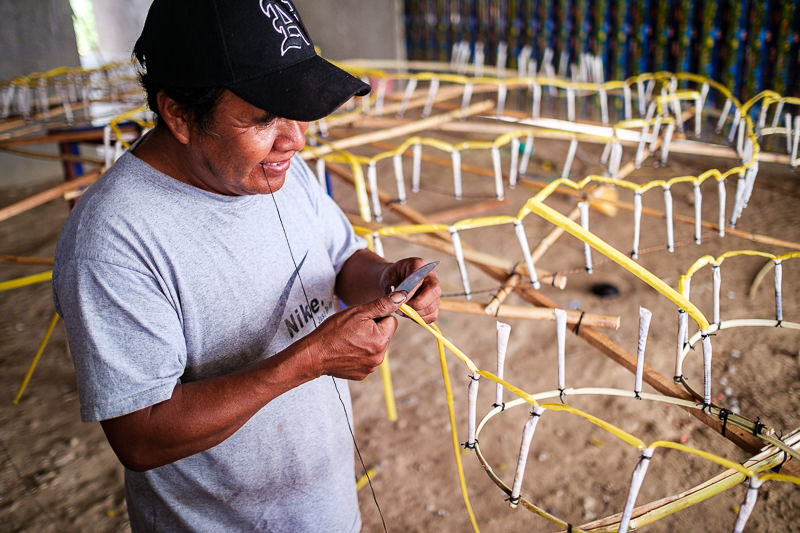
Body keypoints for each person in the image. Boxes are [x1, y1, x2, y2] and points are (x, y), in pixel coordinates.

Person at [52, 1, 441, 531]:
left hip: (322, 507)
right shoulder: (114, 240)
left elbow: (341, 258)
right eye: (263, 117)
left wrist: (388, 277)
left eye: (294, 110)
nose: (295, 140)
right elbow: (141, 436)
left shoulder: (273, 168)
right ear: (179, 115)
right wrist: (309, 360)